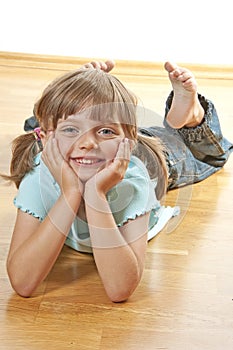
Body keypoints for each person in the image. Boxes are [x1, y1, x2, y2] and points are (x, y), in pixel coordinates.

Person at [1, 60, 232, 302]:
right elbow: (22, 283)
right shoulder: (39, 173)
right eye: (71, 129)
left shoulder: (136, 180)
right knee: (39, 124)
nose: (88, 142)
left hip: (138, 157)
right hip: (92, 152)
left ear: (128, 143)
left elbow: (120, 289)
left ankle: (191, 114)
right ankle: (83, 97)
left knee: (207, 155)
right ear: (46, 142)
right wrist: (70, 193)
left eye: (104, 131)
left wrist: (94, 195)